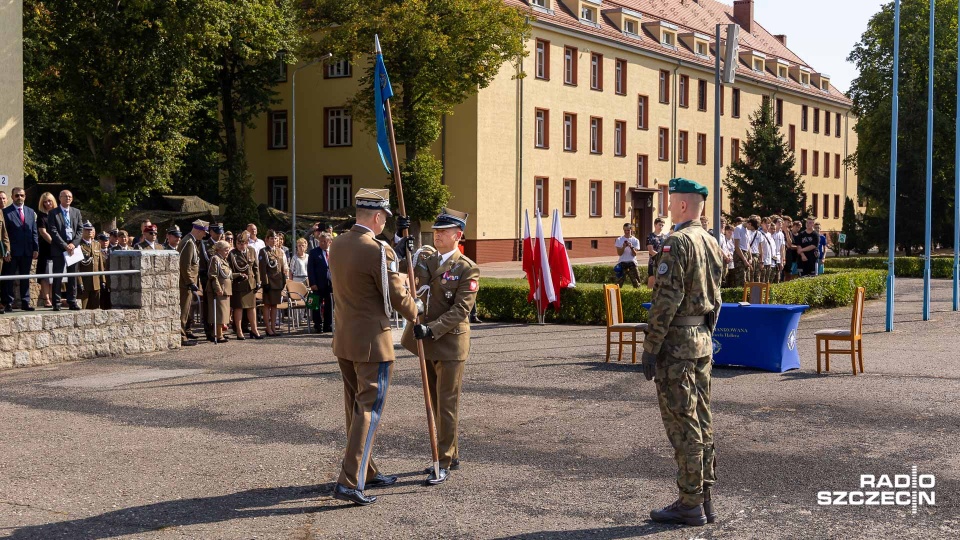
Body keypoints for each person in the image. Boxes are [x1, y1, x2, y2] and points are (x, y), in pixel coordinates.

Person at [641, 178, 724, 527]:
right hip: (701, 338)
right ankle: (704, 497)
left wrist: (651, 345)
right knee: (702, 420)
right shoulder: (710, 241)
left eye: (671, 200)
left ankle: (690, 502)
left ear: (684, 206)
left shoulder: (677, 243)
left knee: (683, 423)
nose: (668, 205)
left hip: (677, 342)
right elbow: (716, 299)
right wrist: (705, 333)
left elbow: (666, 300)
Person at [330, 188, 421, 506]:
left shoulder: (337, 243)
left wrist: (397, 250)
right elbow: (398, 299)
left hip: (344, 339)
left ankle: (365, 471)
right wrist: (418, 307)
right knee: (368, 411)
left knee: (354, 409)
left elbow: (363, 282)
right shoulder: (379, 252)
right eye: (385, 218)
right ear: (378, 216)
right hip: (373, 343)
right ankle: (350, 479)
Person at [399, 208, 480, 486]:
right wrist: (404, 248)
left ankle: (442, 460)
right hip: (427, 341)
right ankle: (452, 452)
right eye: (436, 231)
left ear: (457, 236)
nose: (438, 235)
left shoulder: (467, 267)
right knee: (435, 402)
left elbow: (461, 309)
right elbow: (407, 278)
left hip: (449, 343)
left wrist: (431, 328)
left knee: (446, 404)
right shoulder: (426, 258)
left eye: (443, 231)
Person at [2, 187, 39, 312]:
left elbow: (34, 231)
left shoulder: (30, 211)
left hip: (27, 251)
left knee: (25, 277)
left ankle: (25, 301)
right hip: (12, 252)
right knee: (9, 278)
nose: (19, 198)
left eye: (22, 195)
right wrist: (6, 251)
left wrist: (35, 248)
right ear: (12, 197)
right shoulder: (5, 212)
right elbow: (4, 234)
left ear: (25, 197)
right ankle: (8, 302)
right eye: (17, 195)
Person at [46, 190, 83, 311]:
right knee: (58, 276)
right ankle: (56, 302)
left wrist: (73, 244)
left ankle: (72, 301)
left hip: (73, 249)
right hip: (59, 248)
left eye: (70, 196)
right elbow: (53, 231)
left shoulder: (76, 212)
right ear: (59, 198)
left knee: (73, 276)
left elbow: (80, 230)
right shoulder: (53, 213)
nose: (68, 198)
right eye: (65, 196)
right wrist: (64, 245)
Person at [228, 231, 262, 340]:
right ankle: (239, 331)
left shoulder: (251, 251)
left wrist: (258, 281)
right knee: (238, 308)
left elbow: (256, 267)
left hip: (250, 283)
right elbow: (230, 270)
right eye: (239, 243)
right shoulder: (232, 254)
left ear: (247, 243)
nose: (241, 246)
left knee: (252, 307)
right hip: (238, 284)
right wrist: (237, 276)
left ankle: (254, 330)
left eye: (243, 243)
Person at [178, 220, 207, 346]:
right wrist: (190, 281)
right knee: (183, 311)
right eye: (204, 232)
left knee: (187, 311)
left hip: (188, 283)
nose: (204, 235)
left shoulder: (191, 241)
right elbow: (185, 265)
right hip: (185, 284)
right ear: (199, 230)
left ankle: (184, 334)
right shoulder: (189, 243)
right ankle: (181, 337)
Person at [259, 230, 289, 337]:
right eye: (271, 238)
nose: (274, 240)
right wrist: (265, 283)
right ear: (267, 240)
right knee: (267, 305)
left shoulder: (280, 252)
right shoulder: (264, 252)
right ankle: (268, 328)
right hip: (269, 282)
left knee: (275, 305)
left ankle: (273, 328)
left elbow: (282, 268)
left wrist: (284, 280)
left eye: (275, 238)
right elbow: (263, 270)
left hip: (278, 282)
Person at [207, 240, 235, 343]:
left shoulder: (223, 260)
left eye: (228, 250)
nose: (227, 252)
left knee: (223, 313)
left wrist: (239, 275)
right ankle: (218, 335)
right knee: (219, 313)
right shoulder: (215, 259)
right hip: (219, 290)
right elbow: (213, 275)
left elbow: (228, 275)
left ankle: (220, 333)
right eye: (225, 250)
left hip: (226, 290)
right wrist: (217, 288)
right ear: (219, 250)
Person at [200, 223, 223, 341]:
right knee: (208, 306)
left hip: (221, 279)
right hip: (209, 279)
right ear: (211, 232)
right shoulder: (205, 245)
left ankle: (219, 330)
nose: (220, 235)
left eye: (221, 232)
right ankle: (209, 330)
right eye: (217, 232)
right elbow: (205, 262)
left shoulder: (223, 244)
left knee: (220, 306)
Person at [307, 232, 333, 333]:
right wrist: (312, 283)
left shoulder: (333, 252)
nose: (322, 243)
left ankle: (328, 325)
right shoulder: (314, 252)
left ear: (330, 242)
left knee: (329, 305)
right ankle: (317, 324)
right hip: (317, 284)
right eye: (321, 241)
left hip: (329, 284)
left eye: (325, 241)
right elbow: (310, 269)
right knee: (315, 305)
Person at [76, 221, 104, 309]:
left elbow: (100, 264)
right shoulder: (78, 245)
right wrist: (79, 282)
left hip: (96, 281)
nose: (89, 232)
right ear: (82, 231)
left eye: (91, 230)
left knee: (95, 307)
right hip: (84, 281)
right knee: (83, 307)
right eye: (87, 230)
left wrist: (103, 279)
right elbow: (76, 266)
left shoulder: (97, 244)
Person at [36, 192, 57, 308]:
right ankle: (47, 299)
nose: (48, 203)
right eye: (45, 202)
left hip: (57, 249)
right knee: (45, 274)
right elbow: (43, 232)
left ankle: (54, 297)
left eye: (49, 201)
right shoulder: (41, 216)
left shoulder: (58, 214)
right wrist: (54, 243)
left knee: (54, 274)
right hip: (46, 248)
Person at [614, 223, 643, 288]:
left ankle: (638, 296)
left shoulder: (635, 240)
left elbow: (634, 254)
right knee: (618, 284)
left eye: (628, 230)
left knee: (637, 283)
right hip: (622, 263)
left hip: (632, 263)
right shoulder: (619, 239)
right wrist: (623, 247)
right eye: (625, 230)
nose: (626, 232)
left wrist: (631, 247)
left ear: (631, 230)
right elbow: (619, 253)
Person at [646, 219, 667, 288]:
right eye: (659, 225)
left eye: (662, 225)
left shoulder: (665, 237)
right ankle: (648, 297)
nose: (661, 227)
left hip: (663, 262)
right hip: (653, 261)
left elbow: (667, 249)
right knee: (652, 280)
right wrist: (660, 257)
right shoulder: (650, 236)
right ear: (655, 225)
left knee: (662, 281)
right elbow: (651, 250)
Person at [731, 217, 751, 287]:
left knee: (747, 279)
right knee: (741, 280)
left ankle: (747, 296)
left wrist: (750, 257)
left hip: (746, 253)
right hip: (739, 255)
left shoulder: (747, 230)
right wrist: (744, 260)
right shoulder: (738, 228)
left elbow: (748, 245)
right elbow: (737, 246)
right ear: (749, 224)